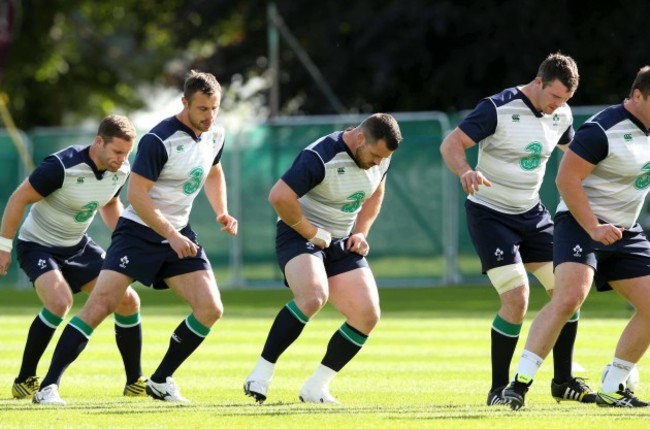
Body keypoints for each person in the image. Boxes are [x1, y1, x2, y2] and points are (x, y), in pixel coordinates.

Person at [31, 70, 238, 405]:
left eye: (214, 108)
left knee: (210, 308)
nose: (209, 116)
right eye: (202, 109)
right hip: (139, 232)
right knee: (99, 306)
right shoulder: (159, 139)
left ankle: (160, 380)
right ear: (184, 103)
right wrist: (170, 235)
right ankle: (47, 387)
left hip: (177, 233)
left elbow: (213, 171)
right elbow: (138, 196)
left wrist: (221, 212)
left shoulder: (216, 134)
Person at [439, 52, 593, 406]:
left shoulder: (562, 114)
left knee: (568, 290)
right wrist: (465, 171)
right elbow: (451, 143)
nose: (558, 106)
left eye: (565, 100)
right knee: (516, 298)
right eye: (554, 96)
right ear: (538, 82)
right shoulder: (498, 107)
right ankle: (497, 389)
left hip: (532, 213)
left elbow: (578, 157)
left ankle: (564, 380)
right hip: (490, 215)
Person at [503, 66, 650, 409]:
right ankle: (519, 384)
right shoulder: (602, 129)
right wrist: (594, 227)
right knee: (569, 298)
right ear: (638, 96)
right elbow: (566, 180)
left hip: (625, 229)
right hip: (579, 222)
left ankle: (614, 386)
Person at [243, 113, 402, 404]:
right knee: (314, 296)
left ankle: (316, 388)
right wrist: (310, 231)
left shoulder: (382, 159)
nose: (379, 161)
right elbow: (279, 197)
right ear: (359, 138)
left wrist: (362, 232)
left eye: (384, 157)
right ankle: (260, 374)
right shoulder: (321, 156)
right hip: (298, 233)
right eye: (375, 154)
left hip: (339, 240)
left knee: (367, 315)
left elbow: (376, 193)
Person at [0, 115, 145, 400]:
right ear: (99, 142)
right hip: (37, 245)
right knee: (59, 301)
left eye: (126, 153)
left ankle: (134, 382)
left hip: (77, 246)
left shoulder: (121, 170)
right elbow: (18, 198)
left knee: (128, 300)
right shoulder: (61, 166)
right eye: (117, 152)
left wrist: (127, 243)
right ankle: (25, 378)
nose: (121, 159)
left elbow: (111, 204)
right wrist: (4, 246)